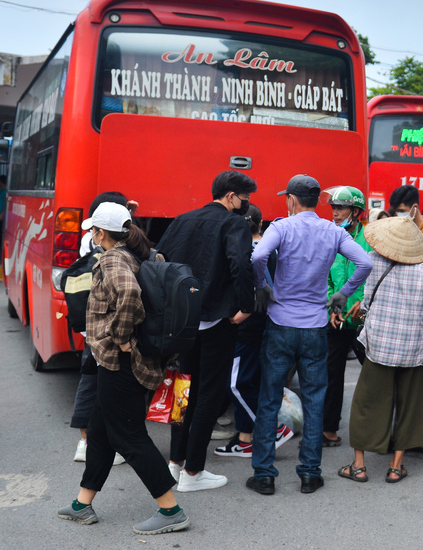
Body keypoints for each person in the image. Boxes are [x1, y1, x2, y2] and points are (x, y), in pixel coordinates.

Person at [57, 203, 189, 535]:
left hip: (121, 363)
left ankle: (171, 510)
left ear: (100, 233)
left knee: (129, 436)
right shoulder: (132, 254)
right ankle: (83, 503)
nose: (91, 234)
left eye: (92, 230)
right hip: (115, 363)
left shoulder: (113, 259)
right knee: (99, 431)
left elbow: (129, 294)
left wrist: (121, 337)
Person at [246, 175, 373, 496]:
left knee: (269, 398)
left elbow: (258, 257)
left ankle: (264, 475)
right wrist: (344, 293)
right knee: (315, 400)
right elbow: (364, 262)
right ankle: (310, 474)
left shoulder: (281, 227)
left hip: (280, 325)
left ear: (291, 199)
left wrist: (262, 286)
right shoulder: (334, 231)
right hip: (315, 327)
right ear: (317, 201)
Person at [158, 170, 258, 492]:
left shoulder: (183, 220)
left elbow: (160, 260)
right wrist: (247, 305)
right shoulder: (234, 225)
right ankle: (193, 472)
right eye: (245, 198)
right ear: (230, 196)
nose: (246, 204)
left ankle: (175, 463)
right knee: (209, 396)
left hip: (183, 322)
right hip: (218, 321)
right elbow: (241, 265)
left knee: (184, 389)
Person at [338, 216, 423, 485]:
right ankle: (396, 467)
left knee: (366, 404)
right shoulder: (421, 269)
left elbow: (366, 297)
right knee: (409, 405)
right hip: (410, 347)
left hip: (378, 345)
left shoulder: (371, 260)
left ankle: (359, 466)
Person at [214, 205, 293, 459]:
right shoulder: (272, 250)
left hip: (246, 326)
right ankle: (245, 440)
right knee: (252, 381)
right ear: (260, 224)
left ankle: (273, 429)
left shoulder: (245, 252)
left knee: (236, 384)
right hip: (267, 325)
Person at [69, 191, 131, 465]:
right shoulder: (111, 247)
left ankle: (86, 441)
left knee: (90, 380)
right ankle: (103, 443)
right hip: (107, 328)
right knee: (105, 385)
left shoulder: (90, 241)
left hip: (91, 325)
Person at [322, 186, 371, 447]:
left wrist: (363, 301)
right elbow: (327, 279)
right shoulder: (330, 238)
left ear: (356, 211)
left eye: (341, 208)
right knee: (331, 376)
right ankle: (329, 429)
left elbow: (375, 277)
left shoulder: (370, 239)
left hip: (364, 320)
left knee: (374, 375)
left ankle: (382, 428)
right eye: (333, 208)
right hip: (337, 318)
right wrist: (332, 307)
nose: (335, 213)